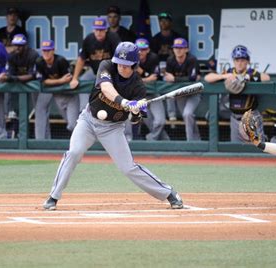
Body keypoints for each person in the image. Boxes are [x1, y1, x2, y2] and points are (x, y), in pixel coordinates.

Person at [42, 41, 183, 210]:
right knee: (73, 152)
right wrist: (124, 102)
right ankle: (53, 197)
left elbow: (135, 122)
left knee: (128, 167)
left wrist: (136, 111)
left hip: (113, 128)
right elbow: (106, 88)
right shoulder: (107, 65)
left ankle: (169, 193)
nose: (122, 68)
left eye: (126, 65)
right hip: (88, 120)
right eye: (120, 64)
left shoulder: (138, 87)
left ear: (134, 65)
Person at [205, 45, 270, 143]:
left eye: (242, 60)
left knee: (257, 147)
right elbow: (208, 78)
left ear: (247, 61)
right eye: (237, 60)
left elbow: (267, 78)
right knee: (236, 149)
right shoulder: (230, 72)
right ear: (234, 61)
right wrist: (225, 76)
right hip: (235, 117)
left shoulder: (251, 72)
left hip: (250, 116)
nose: (239, 63)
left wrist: (248, 77)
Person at [70, 17, 120, 111]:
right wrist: (74, 78)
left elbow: (119, 58)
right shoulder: (89, 39)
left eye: (101, 30)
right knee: (83, 81)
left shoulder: (113, 38)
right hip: (95, 72)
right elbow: (81, 59)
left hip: (111, 73)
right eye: (96, 29)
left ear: (106, 29)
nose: (99, 32)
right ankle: (84, 109)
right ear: (93, 29)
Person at [35, 40, 79, 138]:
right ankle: (40, 141)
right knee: (71, 124)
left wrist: (54, 82)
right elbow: (43, 81)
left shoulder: (61, 61)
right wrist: (60, 81)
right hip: (56, 95)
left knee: (73, 125)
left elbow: (68, 79)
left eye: (48, 50)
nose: (46, 53)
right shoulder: (39, 62)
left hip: (68, 95)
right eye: (44, 51)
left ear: (53, 50)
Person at [0, 34, 39, 138]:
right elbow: (10, 74)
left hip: (34, 84)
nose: (17, 47)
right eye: (15, 45)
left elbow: (32, 76)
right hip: (17, 83)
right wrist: (8, 77)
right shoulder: (11, 56)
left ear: (25, 46)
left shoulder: (33, 54)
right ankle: (9, 112)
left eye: (20, 45)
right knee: (6, 86)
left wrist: (14, 78)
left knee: (38, 108)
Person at [0, 7, 28, 119]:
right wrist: (9, 48)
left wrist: (4, 48)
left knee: (9, 81)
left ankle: (9, 110)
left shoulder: (21, 32)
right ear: (6, 16)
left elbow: (20, 48)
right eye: (10, 14)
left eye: (14, 15)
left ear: (17, 17)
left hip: (14, 63)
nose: (12, 17)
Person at [164, 38, 201, 141]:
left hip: (193, 93)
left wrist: (175, 79)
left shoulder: (191, 59)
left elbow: (193, 78)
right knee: (188, 118)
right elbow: (167, 79)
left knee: (187, 114)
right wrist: (177, 79)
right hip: (180, 95)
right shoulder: (170, 60)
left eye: (181, 48)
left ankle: (190, 143)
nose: (178, 50)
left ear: (186, 49)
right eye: (176, 48)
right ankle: (198, 141)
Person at [150, 12, 182, 121]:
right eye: (161, 20)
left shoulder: (177, 37)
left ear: (170, 22)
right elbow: (152, 58)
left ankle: (172, 114)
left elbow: (182, 55)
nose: (163, 23)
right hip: (158, 66)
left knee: (169, 82)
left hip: (173, 65)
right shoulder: (155, 39)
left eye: (166, 20)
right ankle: (160, 115)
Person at [135, 38, 169, 141]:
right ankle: (166, 142)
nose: (140, 52)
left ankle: (150, 138)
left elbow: (154, 78)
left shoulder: (153, 58)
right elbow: (130, 80)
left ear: (148, 50)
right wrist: (146, 78)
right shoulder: (130, 60)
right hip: (138, 96)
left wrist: (141, 73)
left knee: (160, 121)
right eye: (138, 49)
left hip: (153, 94)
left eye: (143, 49)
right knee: (149, 121)